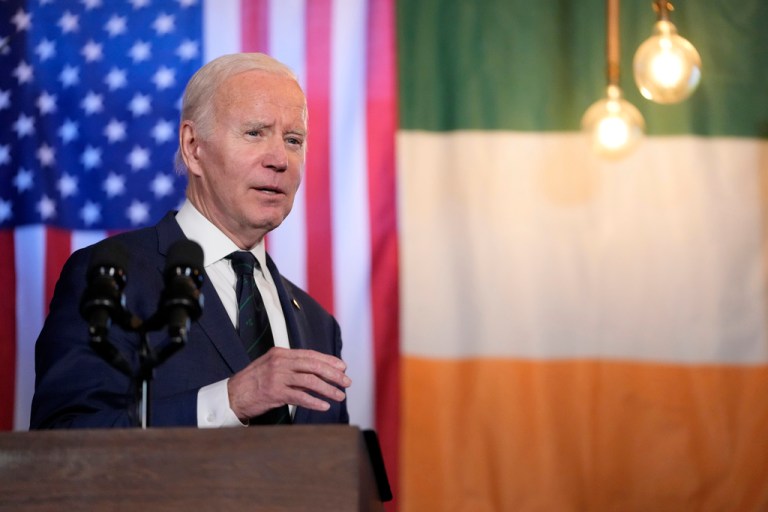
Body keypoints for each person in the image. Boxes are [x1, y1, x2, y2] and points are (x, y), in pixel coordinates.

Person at [30, 53, 351, 428]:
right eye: (255, 133)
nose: (279, 158)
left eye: (293, 140)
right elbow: (65, 437)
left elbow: (334, 462)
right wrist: (228, 401)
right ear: (193, 146)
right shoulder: (111, 277)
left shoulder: (319, 325)